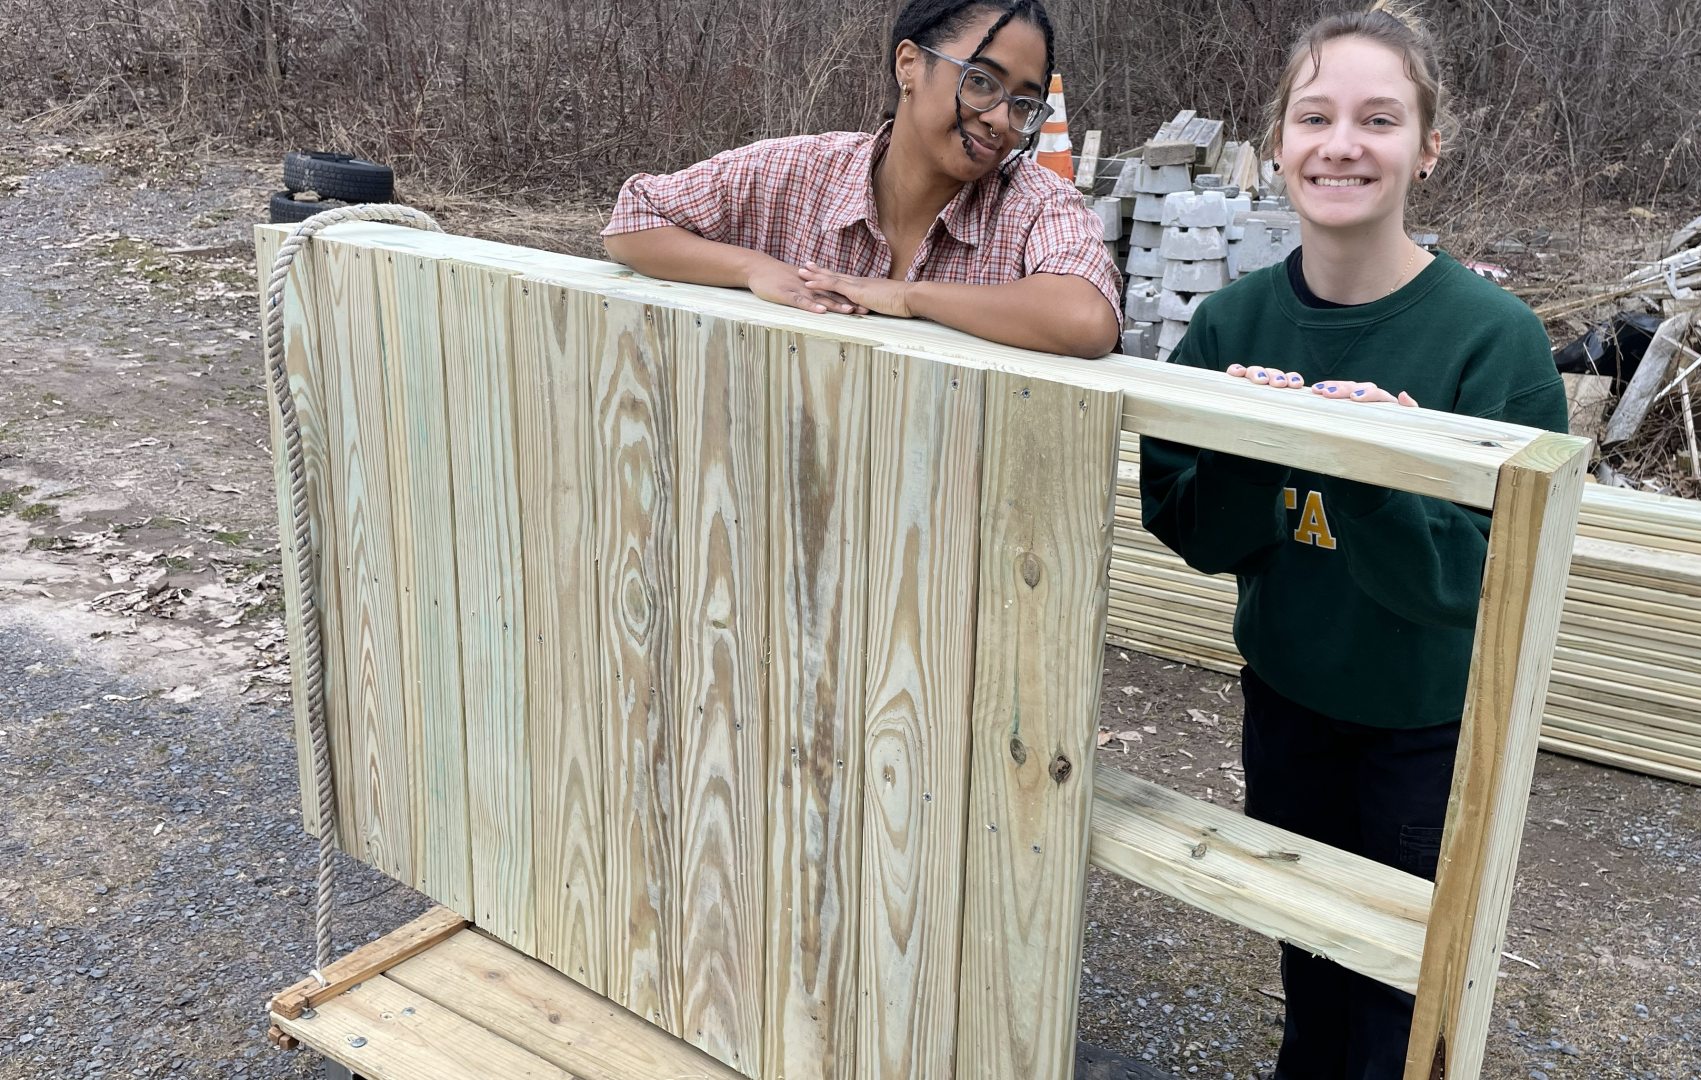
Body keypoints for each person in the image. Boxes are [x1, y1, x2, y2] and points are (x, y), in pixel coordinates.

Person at [1137, 4, 1568, 1077]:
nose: (1342, 144)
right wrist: (1255, 445)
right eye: (1315, 116)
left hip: (1423, 732)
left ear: (1428, 147)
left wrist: (1374, 469)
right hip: (1286, 702)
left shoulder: (1492, 341)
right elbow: (1190, 528)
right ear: (1277, 143)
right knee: (1309, 952)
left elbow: (1478, 584)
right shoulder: (1230, 325)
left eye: (1379, 119)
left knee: (1396, 989)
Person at [599, 0, 1121, 359]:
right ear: (909, 64)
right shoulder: (798, 171)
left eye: (1023, 104)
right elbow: (633, 220)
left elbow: (1084, 317)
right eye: (981, 81)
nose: (1001, 119)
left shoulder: (1035, 203)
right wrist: (753, 268)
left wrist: (909, 297)